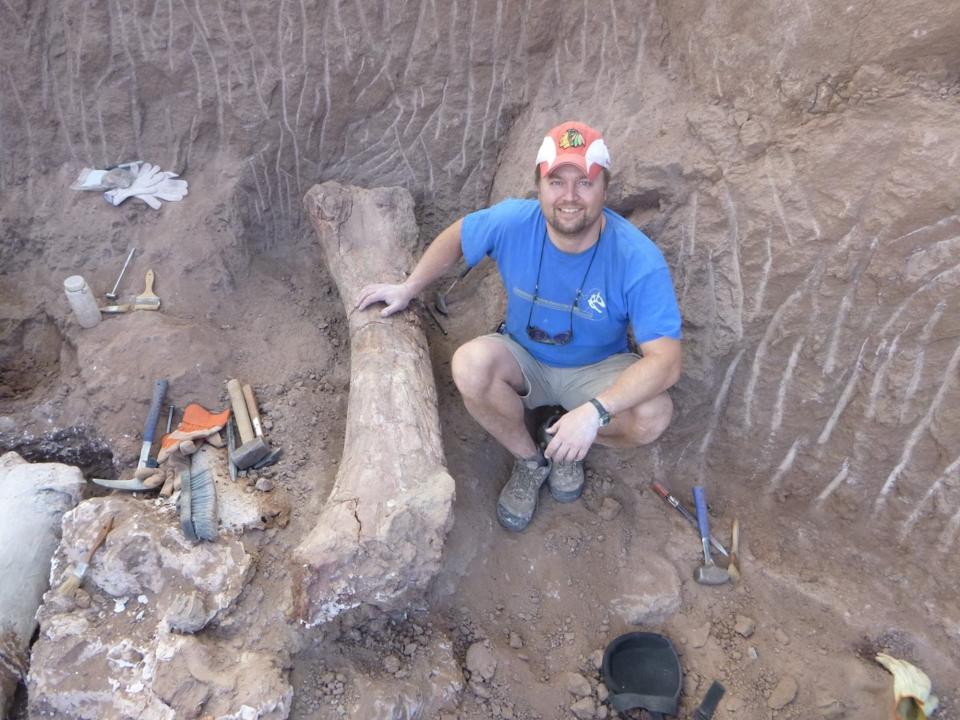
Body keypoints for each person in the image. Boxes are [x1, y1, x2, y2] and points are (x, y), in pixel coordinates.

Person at [356, 121, 682, 532]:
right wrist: (409, 287)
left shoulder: (637, 258)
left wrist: (595, 412)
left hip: (597, 369)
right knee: (470, 366)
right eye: (555, 182)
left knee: (653, 415)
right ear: (539, 186)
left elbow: (666, 362)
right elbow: (459, 235)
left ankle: (563, 442)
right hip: (524, 355)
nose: (569, 196)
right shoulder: (514, 221)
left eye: (584, 182)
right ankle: (531, 459)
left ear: (605, 189)